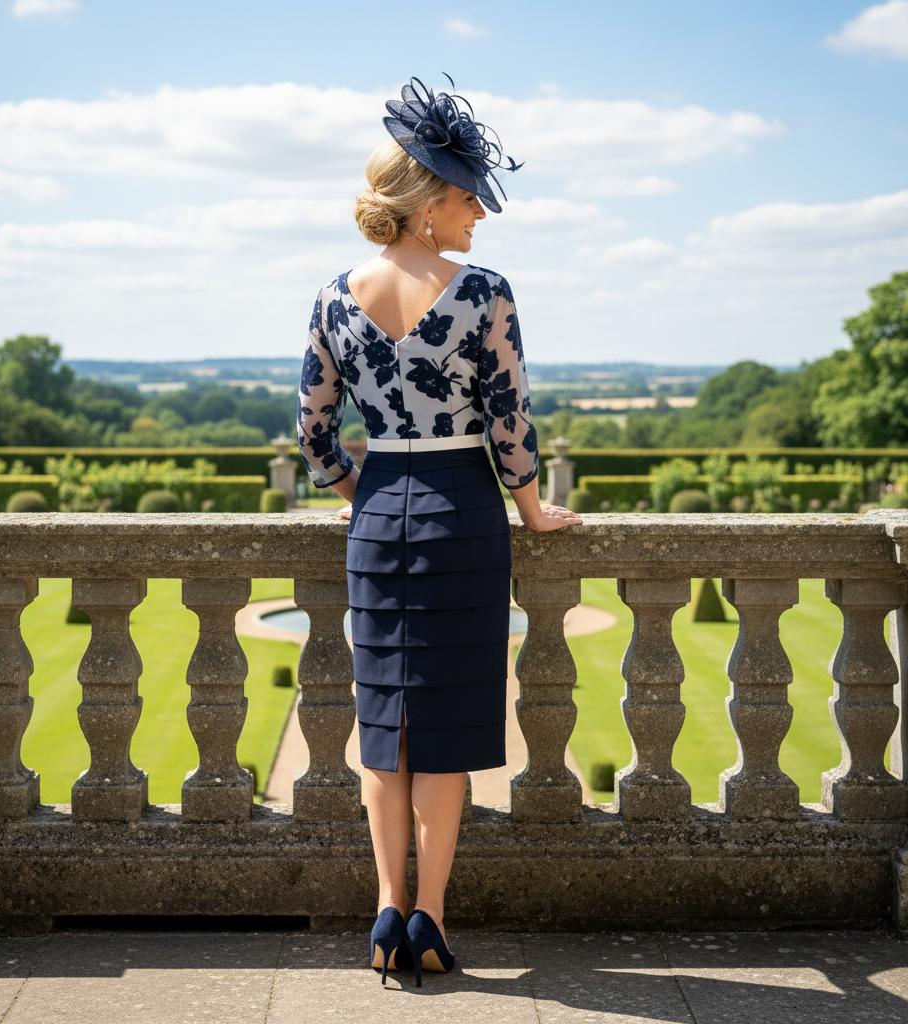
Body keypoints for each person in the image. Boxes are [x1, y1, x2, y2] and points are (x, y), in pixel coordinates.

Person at [296, 72, 582, 987]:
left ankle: (385, 906)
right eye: (466, 198)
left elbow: (312, 431)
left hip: (380, 512)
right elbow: (511, 422)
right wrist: (533, 512)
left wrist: (362, 488)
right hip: (465, 513)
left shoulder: (334, 295)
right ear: (425, 206)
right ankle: (432, 918)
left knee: (387, 726)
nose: (478, 217)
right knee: (450, 730)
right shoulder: (484, 292)